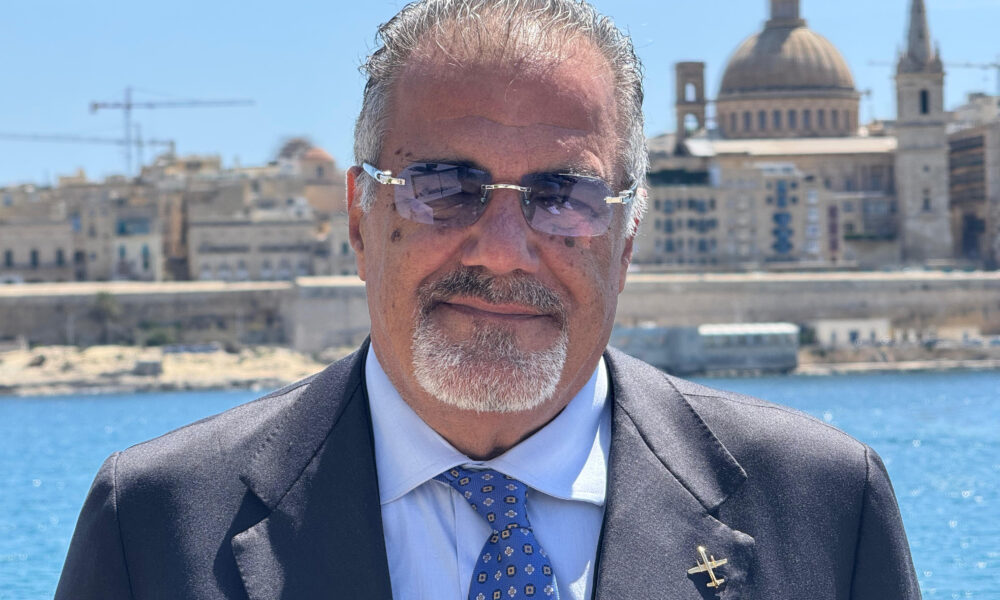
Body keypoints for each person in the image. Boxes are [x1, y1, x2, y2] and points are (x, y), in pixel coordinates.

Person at [56, 1, 920, 598]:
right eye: (444, 186)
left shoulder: (825, 509)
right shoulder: (155, 525)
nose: (503, 249)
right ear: (360, 218)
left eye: (564, 195)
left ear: (627, 239)